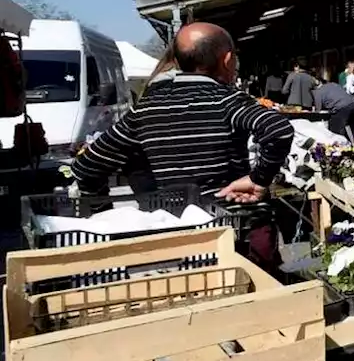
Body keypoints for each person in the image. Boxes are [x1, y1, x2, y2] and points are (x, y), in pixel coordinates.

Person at [72, 22, 294, 270]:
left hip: (178, 241)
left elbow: (86, 168)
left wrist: (105, 213)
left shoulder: (145, 109)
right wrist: (258, 179)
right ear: (228, 59)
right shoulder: (227, 100)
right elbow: (278, 130)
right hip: (239, 233)